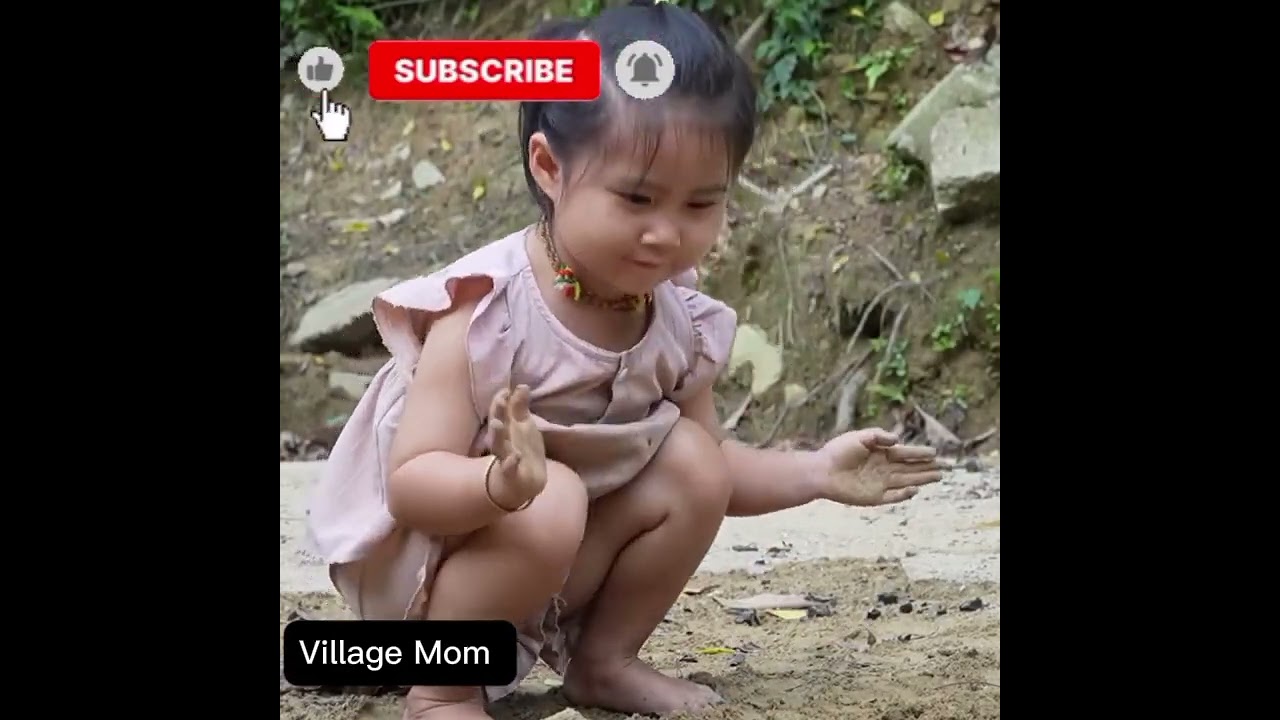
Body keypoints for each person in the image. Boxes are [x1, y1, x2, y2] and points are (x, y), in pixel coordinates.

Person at [306, 2, 943, 718]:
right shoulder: (487, 313)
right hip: (424, 593)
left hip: (539, 568)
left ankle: (602, 663)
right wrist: (501, 481)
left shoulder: (676, 318)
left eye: (701, 205)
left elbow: (715, 469)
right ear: (548, 166)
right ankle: (439, 693)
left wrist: (816, 471)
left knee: (689, 460)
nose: (665, 235)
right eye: (636, 198)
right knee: (551, 499)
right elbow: (411, 486)